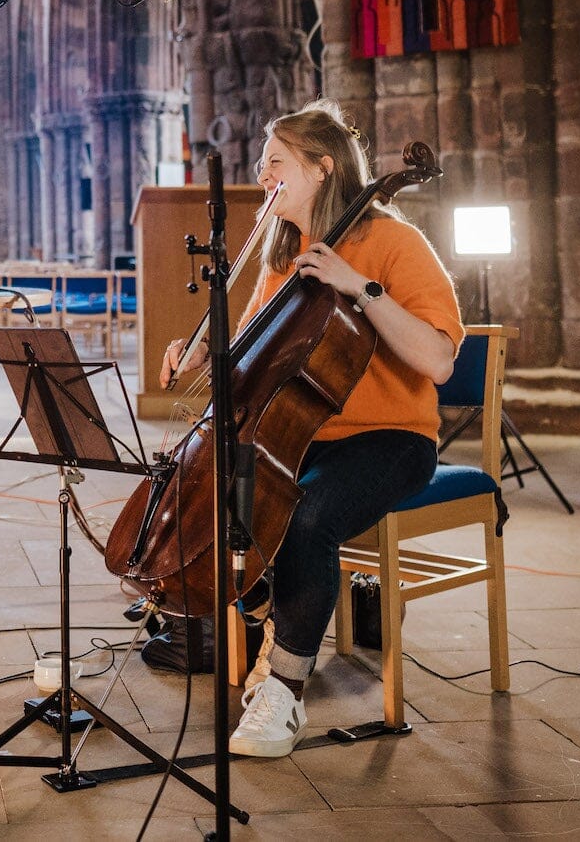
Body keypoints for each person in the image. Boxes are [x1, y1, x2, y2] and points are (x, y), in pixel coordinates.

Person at [159, 100, 461, 758]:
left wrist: (362, 287)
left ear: (322, 169)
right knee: (213, 485)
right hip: (300, 433)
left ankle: (284, 691)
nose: (262, 173)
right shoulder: (283, 257)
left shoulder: (395, 242)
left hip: (391, 438)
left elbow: (439, 358)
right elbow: (253, 356)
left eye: (275, 161)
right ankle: (264, 593)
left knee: (304, 514)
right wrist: (205, 351)